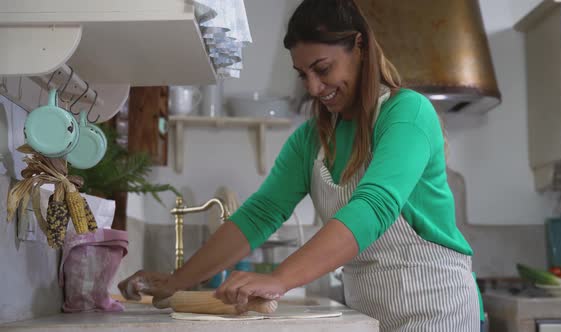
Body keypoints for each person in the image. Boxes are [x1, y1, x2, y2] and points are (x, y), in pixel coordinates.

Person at [118, 0, 484, 330]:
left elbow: (374, 206)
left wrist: (280, 279)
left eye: (322, 69)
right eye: (303, 74)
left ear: (359, 46)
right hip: (370, 315)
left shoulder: (407, 113)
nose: (313, 87)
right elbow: (260, 214)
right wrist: (176, 281)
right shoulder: (312, 138)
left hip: (438, 309)